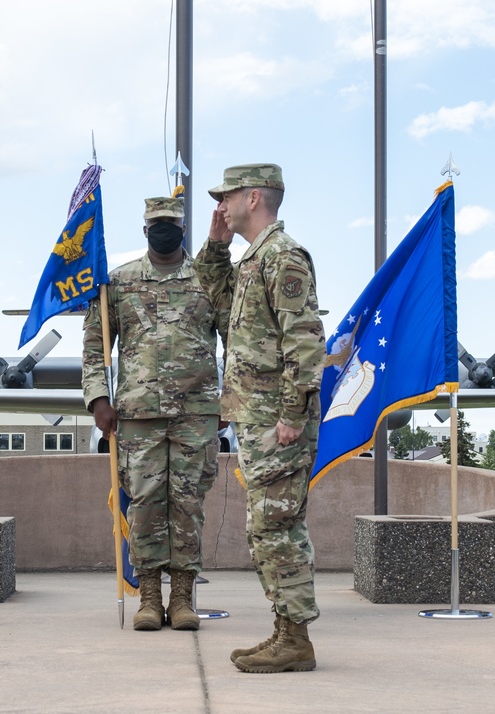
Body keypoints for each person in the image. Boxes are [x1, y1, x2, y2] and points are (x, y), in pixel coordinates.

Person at [194, 164, 326, 673]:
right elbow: (217, 301)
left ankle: (295, 639)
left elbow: (305, 340)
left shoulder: (283, 256)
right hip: (258, 419)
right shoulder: (252, 259)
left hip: (277, 422)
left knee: (277, 527)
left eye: (226, 198)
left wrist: (292, 415)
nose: (220, 206)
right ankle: (286, 631)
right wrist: (215, 244)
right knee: (267, 528)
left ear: (253, 198)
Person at [82, 196, 229, 631]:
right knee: (144, 505)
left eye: (172, 223)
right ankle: (149, 597)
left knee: (187, 506)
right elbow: (95, 345)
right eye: (156, 224)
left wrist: (230, 401)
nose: (164, 229)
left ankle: (182, 598)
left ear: (183, 229)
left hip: (197, 412)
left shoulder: (209, 279)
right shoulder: (118, 282)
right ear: (145, 230)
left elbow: (235, 339)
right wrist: (98, 399)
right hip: (137, 414)